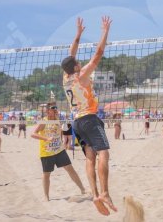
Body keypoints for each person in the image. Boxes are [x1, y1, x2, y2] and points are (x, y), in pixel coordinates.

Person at [61, 16, 117, 215]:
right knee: (104, 154)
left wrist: (78, 34)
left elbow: (71, 53)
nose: (79, 61)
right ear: (75, 67)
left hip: (76, 123)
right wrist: (105, 31)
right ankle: (105, 193)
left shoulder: (65, 78)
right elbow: (98, 54)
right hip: (90, 119)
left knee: (90, 158)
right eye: (77, 62)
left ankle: (94, 194)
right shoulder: (81, 75)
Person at [31, 102, 85, 201]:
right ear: (47, 111)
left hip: (59, 151)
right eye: (53, 108)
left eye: (56, 108)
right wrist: (46, 138)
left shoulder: (57, 120)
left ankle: (82, 189)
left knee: (70, 169)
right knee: (46, 174)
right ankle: (46, 197)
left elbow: (61, 132)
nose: (56, 110)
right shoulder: (44, 122)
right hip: (47, 152)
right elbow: (33, 134)